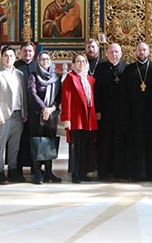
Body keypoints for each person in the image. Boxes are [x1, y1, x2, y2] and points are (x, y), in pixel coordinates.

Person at [0, 45, 28, 184]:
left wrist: (24, 112)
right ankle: (0, 171)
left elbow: (22, 94)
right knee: (0, 145)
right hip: (4, 116)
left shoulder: (20, 74)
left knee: (14, 146)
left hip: (18, 115)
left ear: (15, 58)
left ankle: (12, 170)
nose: (8, 58)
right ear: (2, 57)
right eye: (6, 55)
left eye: (11, 56)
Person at [123, 42, 152, 181]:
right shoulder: (129, 69)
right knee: (135, 143)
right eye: (139, 50)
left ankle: (151, 173)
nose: (141, 52)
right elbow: (124, 94)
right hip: (134, 114)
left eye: (144, 50)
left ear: (148, 51)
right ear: (135, 52)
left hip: (151, 113)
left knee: (151, 143)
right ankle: (136, 173)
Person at [61, 53, 98, 183]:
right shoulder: (70, 78)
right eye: (78, 61)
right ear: (74, 63)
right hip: (75, 118)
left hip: (88, 118)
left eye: (83, 61)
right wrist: (66, 118)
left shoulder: (90, 79)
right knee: (75, 146)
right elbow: (66, 99)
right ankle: (75, 173)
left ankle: (83, 171)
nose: (81, 64)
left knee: (86, 145)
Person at [27, 51, 62, 184]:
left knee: (50, 142)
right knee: (37, 142)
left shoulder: (56, 77)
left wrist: (51, 108)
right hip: (37, 115)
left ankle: (48, 171)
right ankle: (37, 172)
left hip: (52, 115)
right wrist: (44, 109)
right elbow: (32, 93)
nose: (45, 61)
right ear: (38, 61)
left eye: (47, 59)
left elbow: (59, 95)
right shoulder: (33, 76)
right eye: (42, 59)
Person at [94, 43, 127, 180]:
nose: (114, 54)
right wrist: (97, 110)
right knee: (105, 140)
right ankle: (104, 170)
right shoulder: (101, 68)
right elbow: (95, 91)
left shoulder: (126, 68)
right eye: (111, 52)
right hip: (105, 112)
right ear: (107, 54)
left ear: (121, 53)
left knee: (120, 140)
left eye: (117, 52)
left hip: (122, 112)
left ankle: (120, 170)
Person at [15, 40, 38, 178]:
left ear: (34, 53)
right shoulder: (15, 67)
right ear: (20, 52)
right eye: (25, 51)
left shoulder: (38, 66)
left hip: (35, 110)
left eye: (30, 51)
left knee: (33, 139)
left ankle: (35, 168)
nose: (27, 53)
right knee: (18, 140)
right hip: (19, 109)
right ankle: (17, 169)